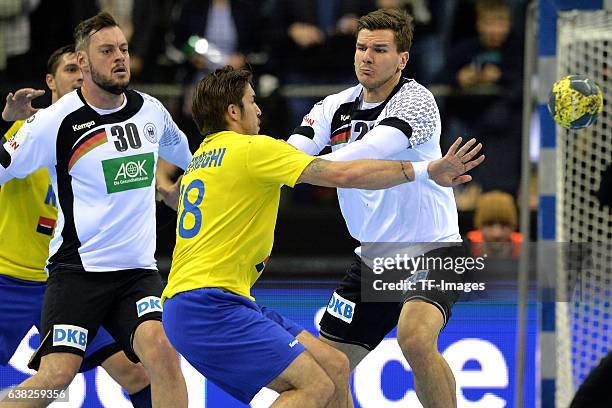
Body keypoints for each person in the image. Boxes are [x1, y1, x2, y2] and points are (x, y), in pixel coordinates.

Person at [161, 65, 483, 408]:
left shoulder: (200, 161)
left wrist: (162, 189)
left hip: (431, 250)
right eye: (252, 101)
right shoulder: (254, 149)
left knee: (334, 365)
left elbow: (179, 197)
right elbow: (343, 172)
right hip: (211, 303)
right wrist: (427, 170)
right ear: (233, 111)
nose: (259, 109)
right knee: (313, 386)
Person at [287, 8, 480, 408]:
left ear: (402, 59)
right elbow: (289, 154)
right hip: (373, 261)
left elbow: (364, 158)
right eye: (361, 48)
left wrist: (301, 170)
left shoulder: (417, 101)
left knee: (414, 337)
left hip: (435, 251)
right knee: (326, 370)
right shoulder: (333, 106)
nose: (366, 57)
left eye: (379, 49)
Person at [0, 12, 189, 407]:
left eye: (122, 49)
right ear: (84, 62)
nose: (119, 58)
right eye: (107, 51)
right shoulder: (52, 122)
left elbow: (189, 159)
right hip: (77, 274)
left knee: (162, 353)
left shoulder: (151, 111)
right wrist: (8, 124)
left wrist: (174, 189)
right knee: (55, 377)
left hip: (136, 273)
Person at [467, 190, 522, 257]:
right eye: (489, 224)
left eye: (504, 225)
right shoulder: (464, 250)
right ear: (479, 225)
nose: (496, 234)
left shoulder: (527, 252)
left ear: (513, 226)